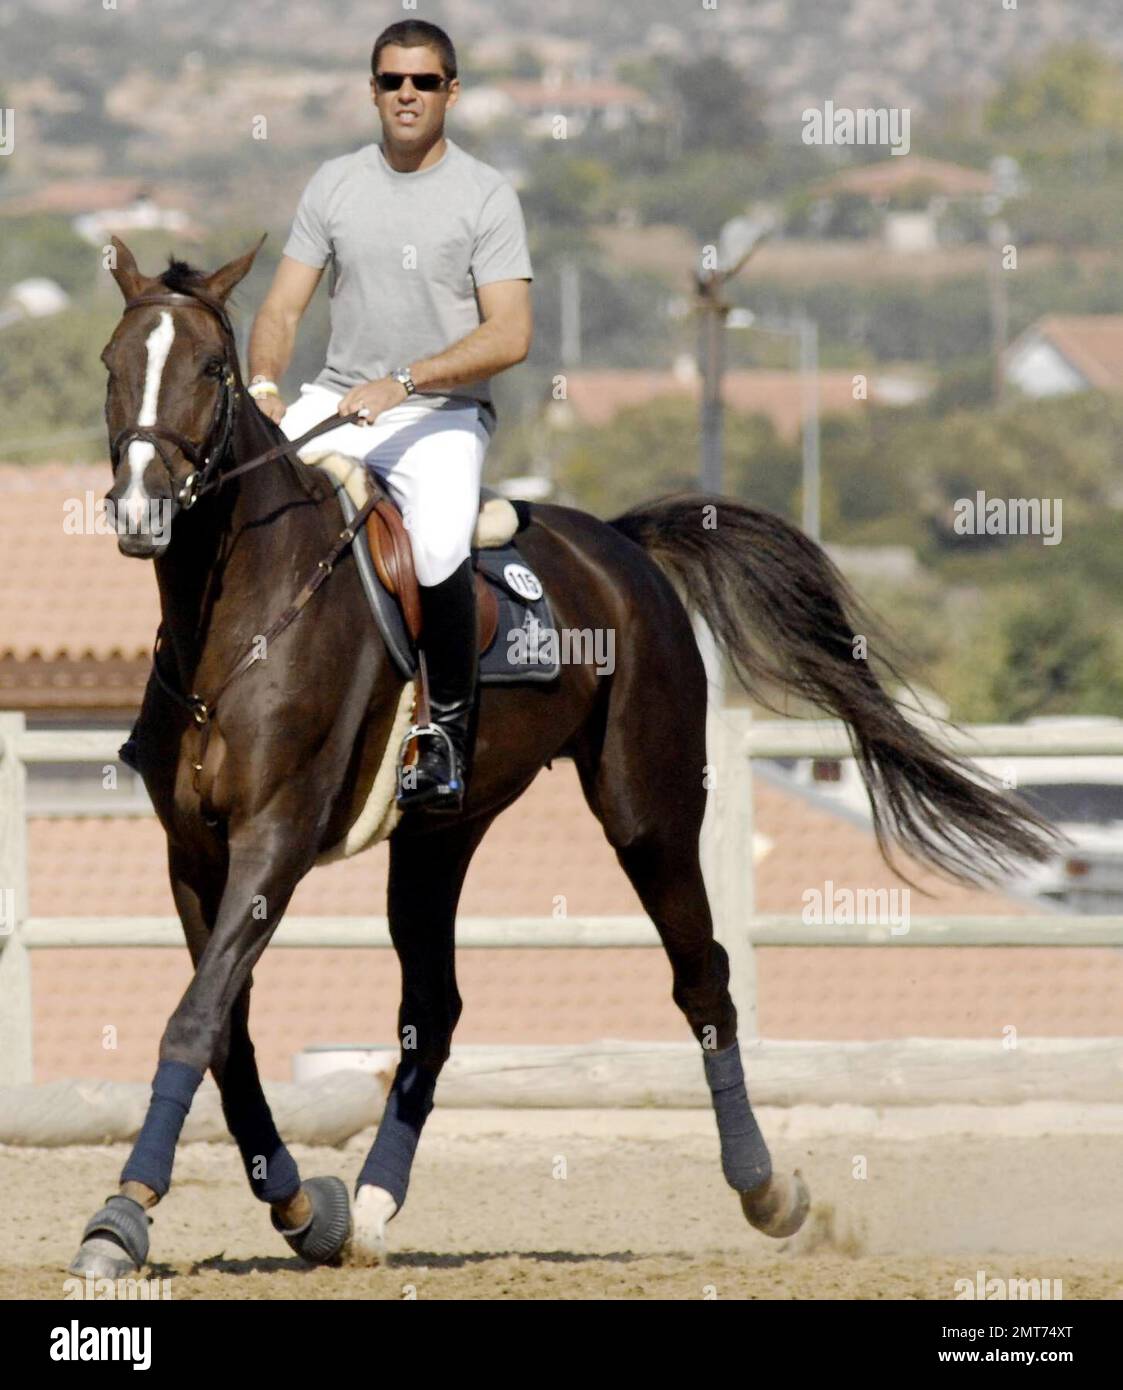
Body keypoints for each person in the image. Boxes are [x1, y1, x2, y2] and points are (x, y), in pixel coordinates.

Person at [247, 19, 533, 812]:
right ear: (372, 89)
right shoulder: (334, 183)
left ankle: (440, 733)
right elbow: (281, 306)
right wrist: (266, 384)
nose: (408, 94)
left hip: (439, 418)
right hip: (336, 398)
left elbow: (509, 334)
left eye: (425, 82)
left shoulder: (485, 195)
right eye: (393, 81)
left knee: (438, 548)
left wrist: (406, 382)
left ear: (452, 92)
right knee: (241, 501)